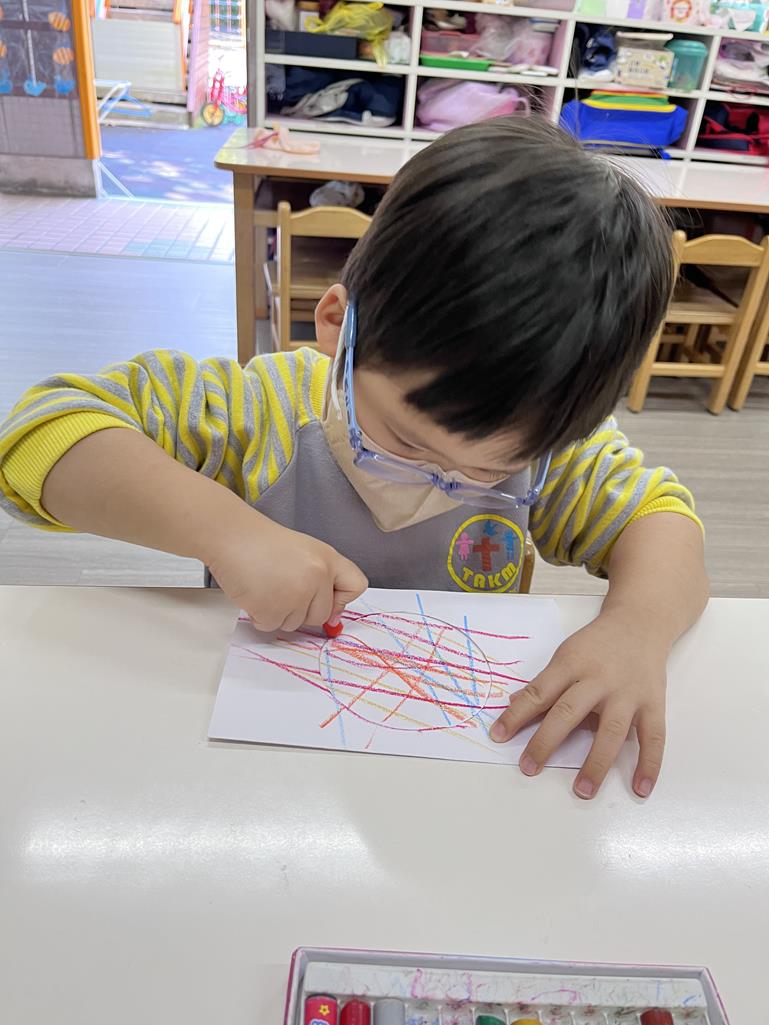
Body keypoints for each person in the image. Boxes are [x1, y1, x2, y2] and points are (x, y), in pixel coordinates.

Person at [0, 117, 707, 800]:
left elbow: (659, 518)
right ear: (339, 326)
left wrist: (637, 628)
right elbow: (39, 434)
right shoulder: (258, 411)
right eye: (406, 442)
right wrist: (229, 532)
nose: (440, 480)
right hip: (255, 763)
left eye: (489, 471)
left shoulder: (550, 451)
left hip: (444, 771)